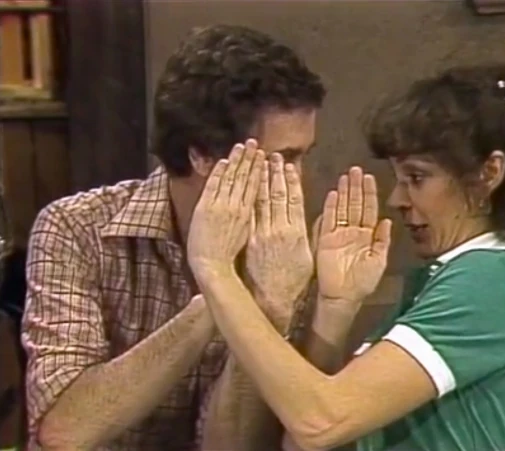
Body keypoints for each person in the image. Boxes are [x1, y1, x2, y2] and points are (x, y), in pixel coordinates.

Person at [187, 63, 505, 451]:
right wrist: (335, 308)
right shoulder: (450, 279)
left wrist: (215, 270)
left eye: (417, 178)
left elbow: (320, 423)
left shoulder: (496, 281)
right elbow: (307, 438)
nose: (397, 199)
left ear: (488, 173)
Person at [21, 25, 325, 450]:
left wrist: (269, 310)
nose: (297, 183)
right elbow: (65, 432)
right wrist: (220, 290)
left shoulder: (282, 252)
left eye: (303, 158)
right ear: (202, 155)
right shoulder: (76, 227)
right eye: (283, 161)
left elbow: (232, 446)